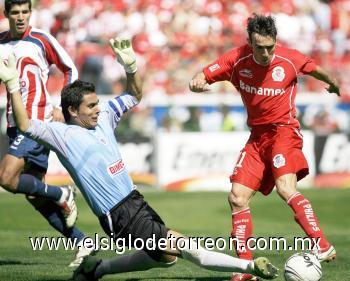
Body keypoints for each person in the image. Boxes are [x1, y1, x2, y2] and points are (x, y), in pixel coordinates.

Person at [0, 37, 279, 281]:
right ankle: (250, 266)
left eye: (98, 102)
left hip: (136, 202)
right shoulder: (61, 134)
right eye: (91, 105)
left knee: (165, 257)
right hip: (118, 215)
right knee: (183, 246)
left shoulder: (106, 117)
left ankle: (95, 271)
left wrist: (131, 67)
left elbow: (134, 94)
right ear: (73, 110)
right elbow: (25, 125)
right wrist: (13, 85)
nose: (99, 108)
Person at [189, 14, 339, 281]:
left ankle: (322, 245)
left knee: (285, 188)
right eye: (260, 47)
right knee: (237, 197)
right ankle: (246, 268)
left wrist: (333, 83)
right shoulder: (236, 59)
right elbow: (203, 74)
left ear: (275, 42)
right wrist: (197, 81)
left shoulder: (289, 59)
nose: (267, 53)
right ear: (250, 43)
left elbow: (314, 68)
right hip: (257, 137)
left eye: (270, 46)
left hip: (284, 132)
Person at [0, 0, 92, 267]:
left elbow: (69, 68)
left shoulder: (41, 39)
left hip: (36, 122)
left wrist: (65, 107)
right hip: (14, 122)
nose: (20, 17)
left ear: (31, 13)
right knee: (34, 195)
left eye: (24, 12)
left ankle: (61, 194)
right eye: (14, 12)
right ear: (6, 14)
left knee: (6, 177)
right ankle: (82, 241)